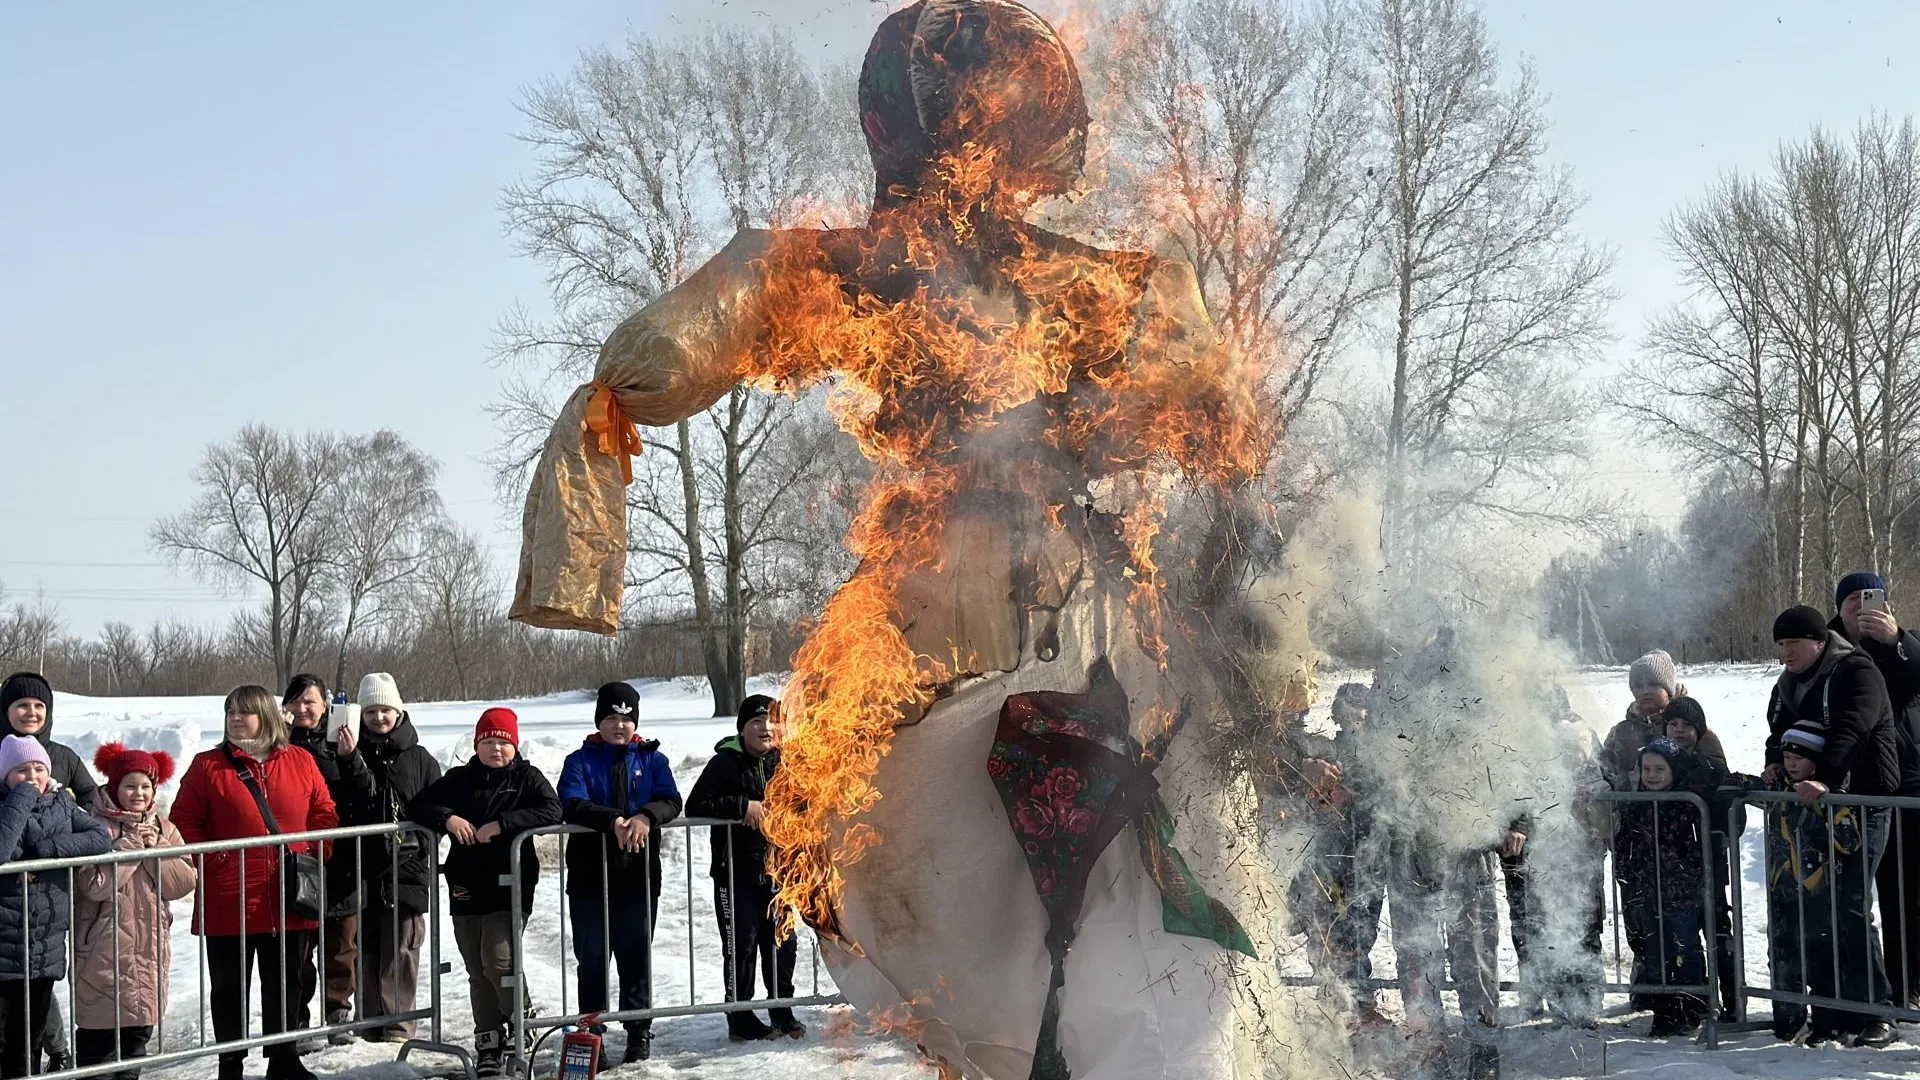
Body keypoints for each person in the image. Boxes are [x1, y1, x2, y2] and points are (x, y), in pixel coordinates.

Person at [173, 684, 337, 1080]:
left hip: (288, 892)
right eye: (230, 711)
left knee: (287, 983)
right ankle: (231, 1064)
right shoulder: (207, 766)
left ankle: (284, 1059)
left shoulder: (300, 760)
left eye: (244, 711)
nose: (235, 718)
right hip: (230, 895)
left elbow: (324, 812)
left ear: (265, 715)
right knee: (229, 989)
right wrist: (216, 858)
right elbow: (184, 821)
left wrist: (314, 852)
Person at [1764, 604, 1900, 1048]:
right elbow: (1778, 731)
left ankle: (1877, 1011)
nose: (1785, 652)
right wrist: (1771, 764)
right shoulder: (1788, 683)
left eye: (1793, 643)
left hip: (1864, 803)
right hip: (1814, 808)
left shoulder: (1856, 671)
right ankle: (1834, 1011)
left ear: (1819, 642)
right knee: (1819, 909)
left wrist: (1827, 775)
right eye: (1780, 644)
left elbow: (1854, 729)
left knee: (1852, 905)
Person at [406, 708, 561, 1077]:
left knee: (499, 960)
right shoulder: (460, 778)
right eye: (488, 742)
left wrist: (502, 824)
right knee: (477, 969)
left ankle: (522, 1023)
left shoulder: (527, 778)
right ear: (477, 745)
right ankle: (488, 1041)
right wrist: (449, 819)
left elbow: (552, 809)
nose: (496, 749)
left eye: (503, 742)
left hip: (511, 885)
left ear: (515, 745)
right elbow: (418, 805)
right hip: (465, 885)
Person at [556, 682, 682, 1065]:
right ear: (599, 721)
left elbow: (671, 800)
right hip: (590, 880)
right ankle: (590, 1034)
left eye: (626, 719)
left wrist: (645, 817)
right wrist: (612, 821)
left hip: (638, 879)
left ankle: (638, 1032)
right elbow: (571, 802)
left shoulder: (653, 760)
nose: (619, 726)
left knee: (635, 956)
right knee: (592, 958)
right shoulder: (580, 760)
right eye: (611, 718)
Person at [1729, 720, 1860, 1044]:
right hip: (1781, 889)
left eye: (1799, 757)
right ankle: (1787, 1020)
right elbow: (1751, 787)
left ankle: (1826, 1021)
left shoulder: (1831, 796)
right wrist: (1733, 784)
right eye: (1787, 756)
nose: (1790, 762)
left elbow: (1851, 841)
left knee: (1821, 957)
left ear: (1817, 761)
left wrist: (1818, 821)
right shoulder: (1777, 788)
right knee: (1783, 953)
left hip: (1817, 892)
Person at [72, 744, 196, 1080]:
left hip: (148, 954)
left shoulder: (164, 828)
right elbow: (94, 885)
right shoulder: (92, 827)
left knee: (135, 1043)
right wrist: (128, 850)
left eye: (145, 786)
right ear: (114, 787)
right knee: (98, 1047)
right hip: (101, 953)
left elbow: (182, 883)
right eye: (129, 786)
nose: (138, 793)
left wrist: (157, 849)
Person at [687, 694, 803, 1043]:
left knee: (783, 943)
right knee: (742, 945)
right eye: (756, 722)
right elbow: (695, 804)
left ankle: (782, 1009)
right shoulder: (725, 762)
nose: (765, 728)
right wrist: (742, 807)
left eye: (770, 721)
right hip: (734, 872)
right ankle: (740, 1017)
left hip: (778, 870)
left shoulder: (786, 761)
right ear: (743, 729)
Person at [1829, 571, 1920, 1009]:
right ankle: (1865, 994)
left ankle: (1909, 986)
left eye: (1871, 599)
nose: (1860, 608)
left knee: (1908, 895)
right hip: (1856, 788)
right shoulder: (1826, 649)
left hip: (1910, 785)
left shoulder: (1905, 644)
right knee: (1853, 900)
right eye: (1851, 602)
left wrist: (1897, 638)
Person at [2, 671, 99, 1073]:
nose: (31, 712)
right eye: (22, 705)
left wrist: (56, 849)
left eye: (39, 705)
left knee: (37, 993)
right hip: (6, 908)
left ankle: (52, 1050)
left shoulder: (62, 756)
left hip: (48, 905)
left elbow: (91, 807)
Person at [282, 674, 377, 1048]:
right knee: (298, 947)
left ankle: (339, 1013)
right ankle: (298, 1019)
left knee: (341, 945)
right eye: (296, 702)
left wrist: (350, 758)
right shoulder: (276, 742)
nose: (303, 709)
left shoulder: (345, 737)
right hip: (295, 858)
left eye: (311, 702)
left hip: (340, 856)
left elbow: (366, 791)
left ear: (326, 706)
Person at [351, 673, 441, 1042]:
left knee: (401, 949)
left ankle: (399, 1026)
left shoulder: (419, 758)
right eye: (370, 710)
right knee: (366, 947)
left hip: (405, 869)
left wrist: (422, 849)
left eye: (385, 709)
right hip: (360, 866)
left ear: (398, 711)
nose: (378, 717)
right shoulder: (349, 753)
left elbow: (438, 806)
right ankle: (369, 1023)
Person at [1613, 738, 1711, 1037]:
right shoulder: (1635, 805)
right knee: (1655, 952)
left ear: (1674, 770)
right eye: (1646, 769)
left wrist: (1684, 874)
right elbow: (1624, 845)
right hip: (1646, 892)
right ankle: (1664, 1011)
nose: (1652, 775)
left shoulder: (1687, 805)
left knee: (1686, 949)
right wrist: (1626, 874)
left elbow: (1695, 849)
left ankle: (1692, 1005)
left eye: (1660, 768)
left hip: (1680, 893)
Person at [1661, 696, 1742, 1020]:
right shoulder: (1657, 762)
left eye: (1686, 725)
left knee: (1718, 933)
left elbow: (1730, 814)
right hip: (1671, 868)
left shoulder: (1711, 766)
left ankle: (1734, 1001)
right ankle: (1694, 1003)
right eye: (1673, 724)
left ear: (1699, 730)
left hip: (1708, 865)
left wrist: (1720, 832)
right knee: (1683, 937)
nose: (1678, 731)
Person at [1600, 652, 1726, 789]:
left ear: (1668, 688)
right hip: (1632, 808)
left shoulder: (1692, 729)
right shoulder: (1620, 732)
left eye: (1653, 684)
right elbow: (1604, 773)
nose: (1645, 691)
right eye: (1638, 686)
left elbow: (1718, 775)